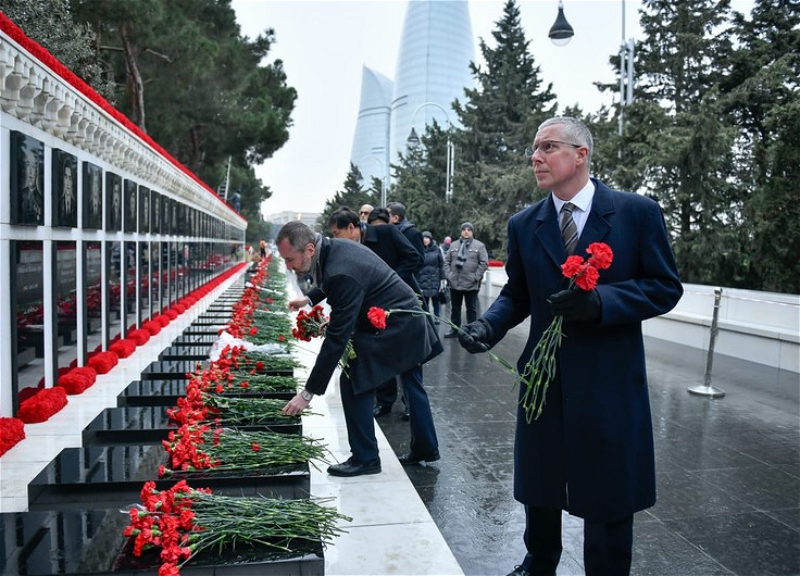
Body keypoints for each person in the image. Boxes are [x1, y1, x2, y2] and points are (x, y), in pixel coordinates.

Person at [456, 116, 683, 576]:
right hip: (544, 377)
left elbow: (663, 286)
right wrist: (488, 327)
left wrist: (600, 302)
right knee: (539, 476)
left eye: (548, 146)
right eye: (534, 150)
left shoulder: (636, 213)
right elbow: (518, 293)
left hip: (608, 378)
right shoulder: (525, 223)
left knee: (609, 483)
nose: (535, 157)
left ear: (581, 155)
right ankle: (540, 559)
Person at [278, 221, 441, 475]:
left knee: (354, 377)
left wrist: (308, 393)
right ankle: (425, 447)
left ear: (310, 249)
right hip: (402, 319)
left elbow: (337, 337)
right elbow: (333, 282)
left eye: (290, 259)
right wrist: (309, 298)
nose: (288, 266)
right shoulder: (332, 250)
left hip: (397, 325)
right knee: (410, 382)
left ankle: (365, 458)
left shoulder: (339, 267)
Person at [443, 222, 488, 338]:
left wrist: (475, 277)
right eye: (464, 229)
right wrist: (449, 275)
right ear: (461, 231)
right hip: (455, 283)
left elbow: (483, 263)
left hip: (471, 284)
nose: (466, 231)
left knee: (471, 309)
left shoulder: (479, 246)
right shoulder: (453, 245)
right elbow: (446, 262)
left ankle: (471, 331)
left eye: (469, 229)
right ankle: (454, 330)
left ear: (472, 232)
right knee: (455, 308)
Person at [416, 231, 446, 323]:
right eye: (423, 238)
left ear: (430, 239)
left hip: (434, 278)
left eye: (427, 238)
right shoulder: (418, 249)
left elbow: (441, 264)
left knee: (435, 299)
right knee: (424, 300)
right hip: (422, 278)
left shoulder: (437, 250)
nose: (425, 240)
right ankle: (426, 318)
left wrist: (443, 278)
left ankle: (437, 317)